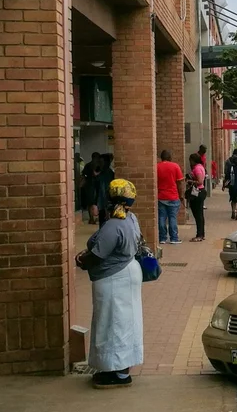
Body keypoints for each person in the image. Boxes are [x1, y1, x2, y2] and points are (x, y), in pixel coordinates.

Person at [76, 178, 143, 389]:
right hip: (128, 273)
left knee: (112, 323)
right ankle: (122, 371)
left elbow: (98, 254)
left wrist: (81, 260)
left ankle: (116, 374)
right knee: (125, 323)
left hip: (114, 278)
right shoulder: (131, 219)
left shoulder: (114, 225)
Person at [156, 150, 184, 245]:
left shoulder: (157, 167)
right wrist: (181, 195)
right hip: (173, 196)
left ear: (161, 157)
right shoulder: (175, 166)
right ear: (170, 157)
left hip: (161, 196)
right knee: (172, 217)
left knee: (162, 217)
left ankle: (162, 238)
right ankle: (174, 238)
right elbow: (179, 182)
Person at [186, 153, 208, 242]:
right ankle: (201, 234)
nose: (190, 162)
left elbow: (199, 181)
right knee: (199, 215)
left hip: (197, 192)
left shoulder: (197, 168)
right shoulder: (200, 167)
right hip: (200, 191)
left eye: (190, 160)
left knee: (198, 214)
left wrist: (189, 181)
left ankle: (199, 235)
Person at [82, 152, 102, 224]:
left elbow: (84, 176)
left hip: (89, 186)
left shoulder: (87, 165)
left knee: (90, 203)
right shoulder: (100, 165)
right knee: (99, 202)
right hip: (98, 186)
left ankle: (91, 219)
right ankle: (99, 218)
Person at [96, 153, 116, 227]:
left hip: (106, 203)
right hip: (102, 204)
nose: (100, 164)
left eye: (101, 162)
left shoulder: (108, 173)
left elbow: (105, 191)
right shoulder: (101, 173)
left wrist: (106, 207)